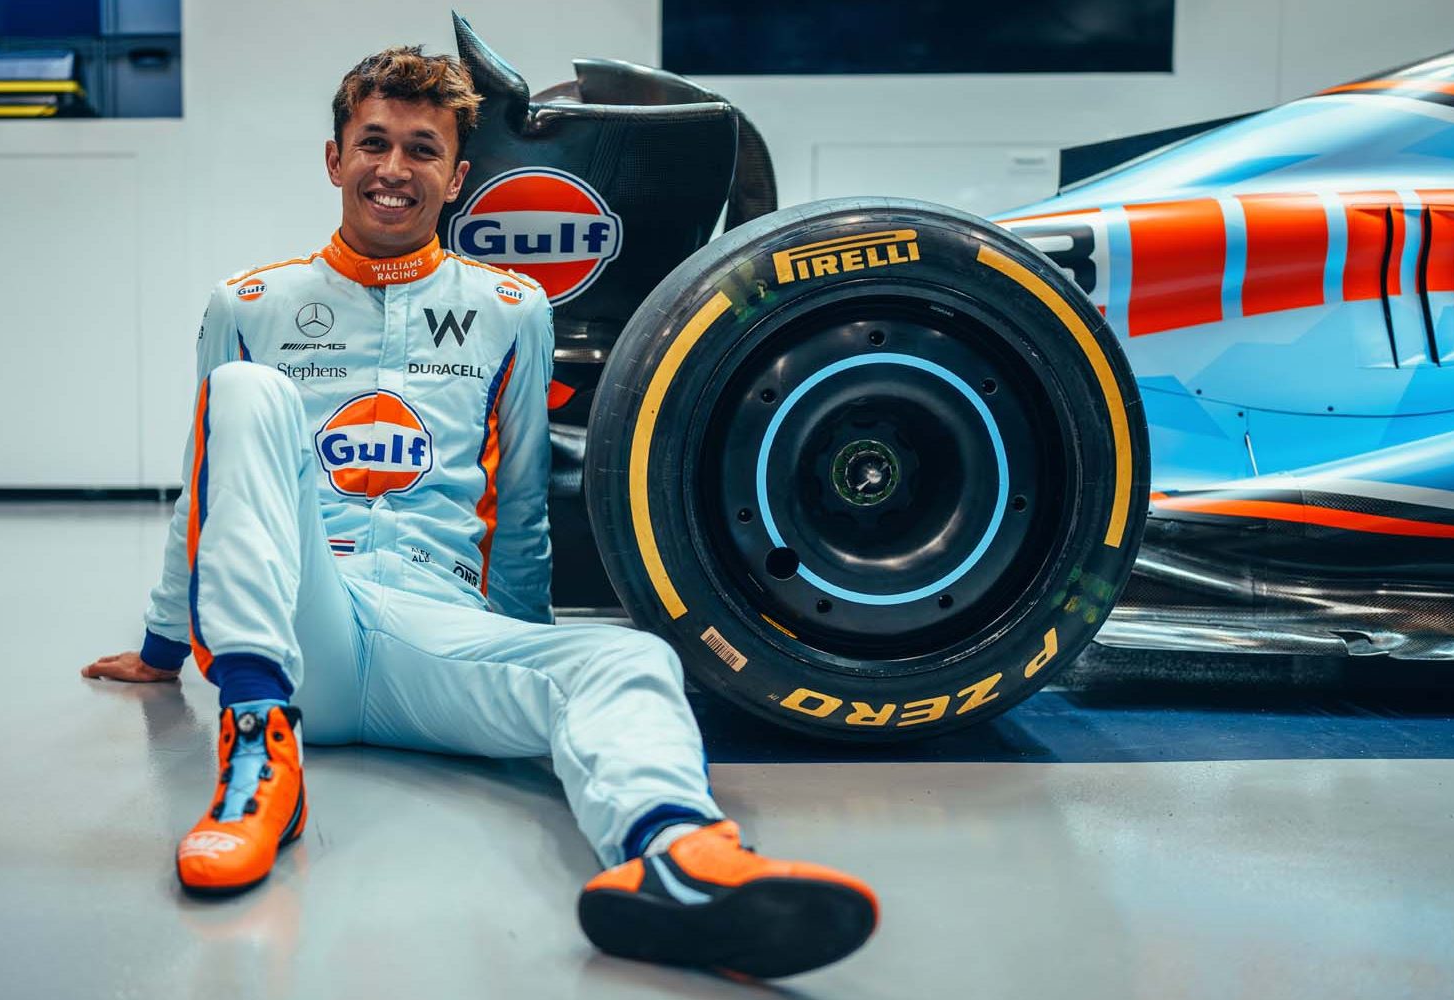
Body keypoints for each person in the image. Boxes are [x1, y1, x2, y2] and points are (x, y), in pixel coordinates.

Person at [82, 44, 878, 979]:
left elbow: (524, 498)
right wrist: (165, 645)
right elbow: (207, 484)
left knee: (627, 658)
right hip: (303, 630)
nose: (393, 169)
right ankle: (260, 758)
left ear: (457, 177)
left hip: (438, 633)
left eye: (422, 150)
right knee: (248, 395)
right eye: (372, 143)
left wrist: (519, 648)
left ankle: (680, 859)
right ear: (333, 158)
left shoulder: (511, 307)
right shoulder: (250, 303)